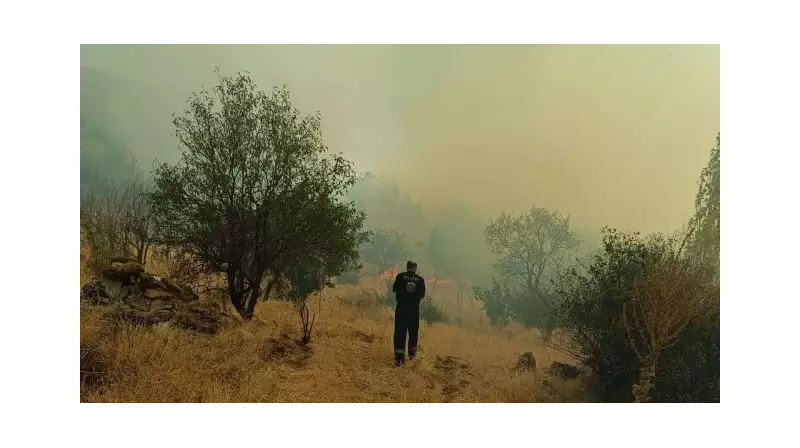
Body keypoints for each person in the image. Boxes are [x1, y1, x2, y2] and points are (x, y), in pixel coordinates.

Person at [392, 260, 426, 366]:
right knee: (413, 333)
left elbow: (394, 289)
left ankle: (399, 359)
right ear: (415, 268)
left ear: (407, 267)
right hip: (413, 311)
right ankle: (412, 357)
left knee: (399, 333)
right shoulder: (420, 280)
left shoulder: (400, 276)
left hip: (401, 310)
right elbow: (422, 295)